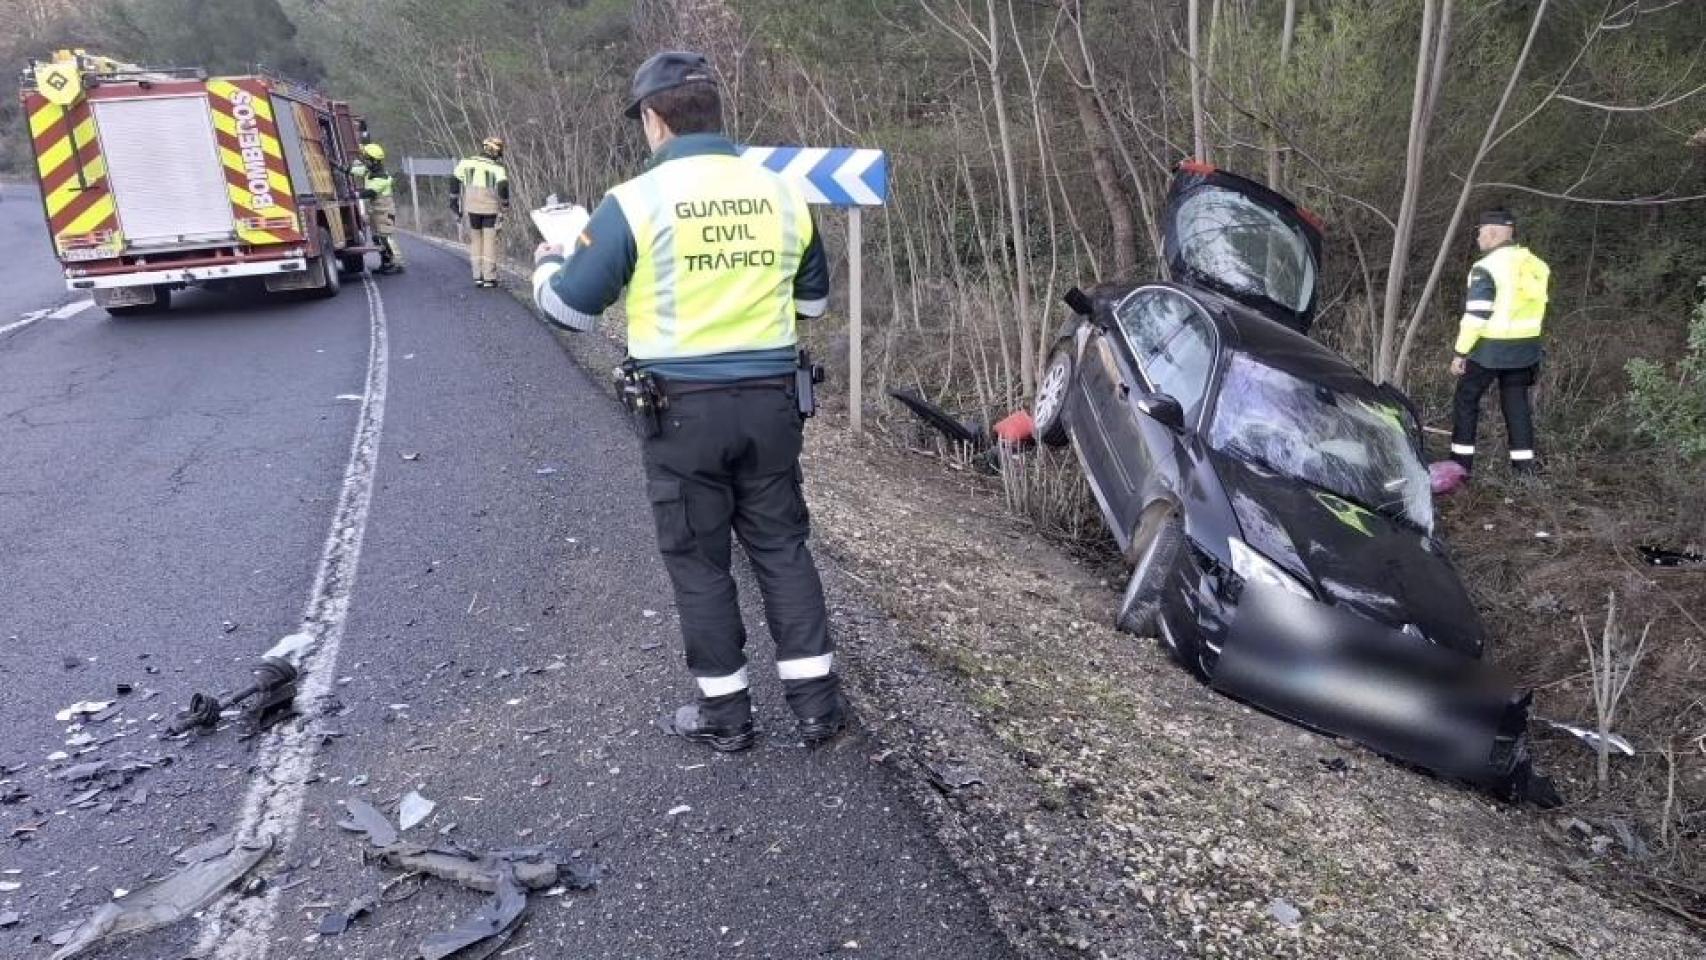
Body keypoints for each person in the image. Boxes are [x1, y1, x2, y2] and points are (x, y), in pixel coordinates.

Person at [531, 50, 841, 753]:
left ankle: (728, 719)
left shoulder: (633, 202)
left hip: (680, 412)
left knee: (700, 561)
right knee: (782, 547)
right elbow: (814, 303)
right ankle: (818, 708)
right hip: (771, 405)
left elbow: (569, 312)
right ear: (714, 112)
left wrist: (550, 259)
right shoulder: (783, 194)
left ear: (654, 119)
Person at [1449, 208, 1550, 476]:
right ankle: (1524, 470)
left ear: (1492, 232)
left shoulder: (1487, 267)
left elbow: (1476, 316)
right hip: (1526, 350)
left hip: (1490, 350)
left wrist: (1460, 352)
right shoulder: (1536, 265)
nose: (1478, 238)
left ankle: (1459, 468)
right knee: (1516, 404)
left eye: (1480, 232)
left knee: (1466, 400)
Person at [451, 136, 509, 288]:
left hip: (471, 208)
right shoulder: (497, 167)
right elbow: (503, 186)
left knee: (476, 240)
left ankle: (478, 276)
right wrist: (505, 204)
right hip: (490, 208)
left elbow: (454, 179)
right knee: (489, 241)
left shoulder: (466, 162)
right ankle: (489, 278)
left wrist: (453, 201)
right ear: (495, 151)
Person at [350, 143, 405, 274]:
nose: (366, 162)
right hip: (376, 211)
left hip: (385, 211)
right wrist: (342, 168)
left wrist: (355, 194)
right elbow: (355, 170)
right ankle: (386, 263)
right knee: (376, 238)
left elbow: (371, 192)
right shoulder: (370, 172)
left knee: (386, 237)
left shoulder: (382, 177)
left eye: (367, 159)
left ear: (374, 161)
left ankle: (397, 263)